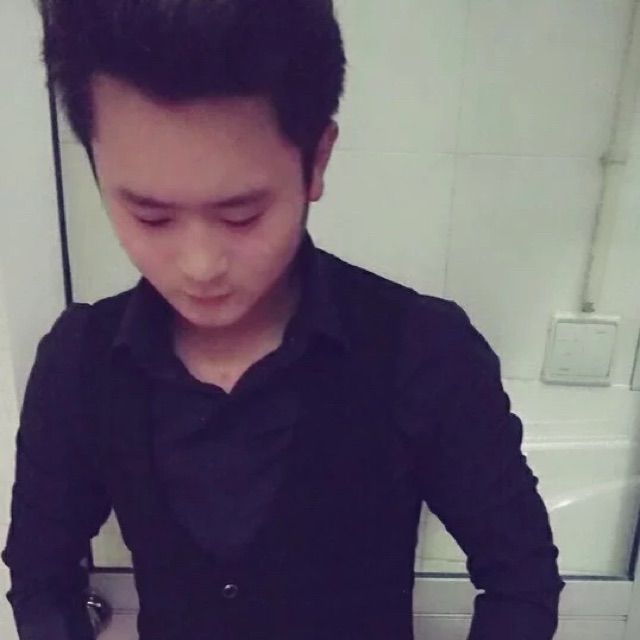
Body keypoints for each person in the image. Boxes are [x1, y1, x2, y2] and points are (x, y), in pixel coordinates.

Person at [2, 1, 565, 639]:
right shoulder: (79, 362)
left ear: (316, 161)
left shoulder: (423, 349)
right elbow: (40, 577)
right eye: (150, 217)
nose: (200, 265)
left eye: (241, 215)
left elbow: (521, 580)